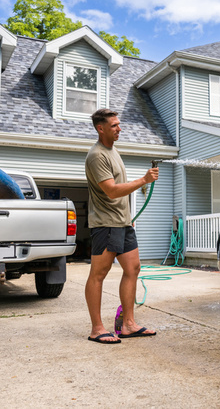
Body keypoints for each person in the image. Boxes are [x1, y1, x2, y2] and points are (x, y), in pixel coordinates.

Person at [84, 108, 159, 344]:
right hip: (106, 224)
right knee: (99, 274)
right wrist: (143, 180)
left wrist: (128, 216)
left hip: (122, 222)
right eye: (114, 125)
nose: (119, 128)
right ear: (101, 128)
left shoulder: (112, 150)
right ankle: (97, 328)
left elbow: (120, 188)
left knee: (133, 268)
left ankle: (128, 324)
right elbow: (111, 190)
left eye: (119, 124)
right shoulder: (97, 156)